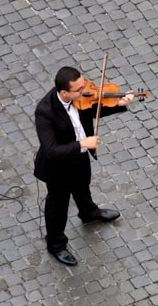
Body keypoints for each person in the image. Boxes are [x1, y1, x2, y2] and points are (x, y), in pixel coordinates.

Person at [34, 66, 134, 266]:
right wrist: (82, 144)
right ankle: (56, 244)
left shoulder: (80, 98)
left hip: (79, 158)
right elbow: (51, 150)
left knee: (82, 186)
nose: (85, 91)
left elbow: (93, 107)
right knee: (58, 205)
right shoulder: (45, 112)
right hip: (58, 167)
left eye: (84, 85)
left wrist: (118, 103)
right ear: (64, 93)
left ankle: (89, 213)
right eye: (79, 90)